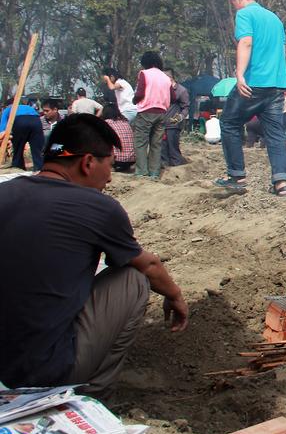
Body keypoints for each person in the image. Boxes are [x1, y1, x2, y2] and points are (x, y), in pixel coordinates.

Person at [0, 114, 188, 396]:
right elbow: (149, 265)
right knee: (133, 278)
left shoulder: (5, 192)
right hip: (43, 369)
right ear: (88, 162)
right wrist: (175, 295)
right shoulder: (97, 207)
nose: (110, 177)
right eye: (109, 165)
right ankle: (92, 391)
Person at [215, 0, 286, 196]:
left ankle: (237, 176)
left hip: (254, 82)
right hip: (276, 84)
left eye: (233, 1)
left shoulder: (245, 14)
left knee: (229, 122)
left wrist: (239, 74)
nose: (233, 6)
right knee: (275, 133)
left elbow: (246, 42)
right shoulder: (275, 19)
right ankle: (281, 183)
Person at [131, 51, 173, 179]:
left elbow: (139, 93)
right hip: (162, 113)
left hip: (146, 111)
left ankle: (141, 172)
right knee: (156, 144)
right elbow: (173, 96)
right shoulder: (166, 77)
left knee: (141, 143)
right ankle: (154, 172)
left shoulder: (144, 74)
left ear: (145, 62)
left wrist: (134, 100)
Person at [0, 99, 45, 170]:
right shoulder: (29, 107)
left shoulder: (8, 109)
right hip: (36, 121)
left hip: (20, 120)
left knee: (18, 148)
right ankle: (39, 168)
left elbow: (2, 129)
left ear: (7, 105)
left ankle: (18, 167)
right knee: (37, 149)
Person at [160, 68, 189, 167]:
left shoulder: (181, 90)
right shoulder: (161, 90)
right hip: (161, 123)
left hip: (173, 124)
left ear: (170, 77)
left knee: (173, 148)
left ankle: (178, 166)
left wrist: (180, 117)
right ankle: (165, 165)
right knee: (162, 148)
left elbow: (185, 107)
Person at [102, 103, 136, 172]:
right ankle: (125, 167)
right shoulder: (125, 122)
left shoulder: (106, 123)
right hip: (132, 160)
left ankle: (110, 166)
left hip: (116, 160)